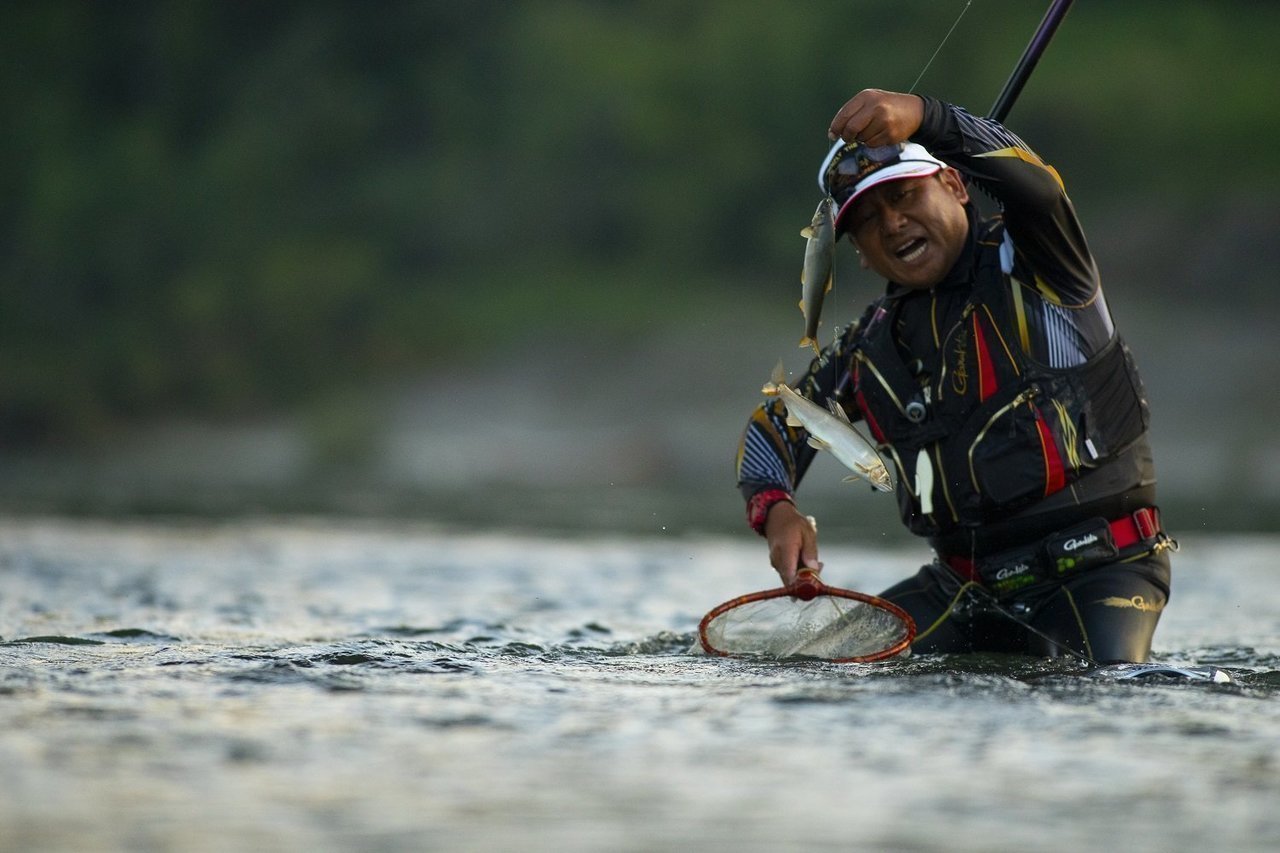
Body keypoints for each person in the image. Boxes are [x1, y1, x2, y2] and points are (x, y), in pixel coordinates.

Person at [736, 89, 1176, 664]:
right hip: (964, 589)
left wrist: (928, 117)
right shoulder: (867, 347)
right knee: (807, 670)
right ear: (860, 253)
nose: (892, 223)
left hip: (1101, 571)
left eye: (904, 195)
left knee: (1106, 684)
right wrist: (777, 510)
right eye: (867, 220)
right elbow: (774, 425)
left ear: (955, 185)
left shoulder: (1043, 261)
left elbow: (1039, 186)